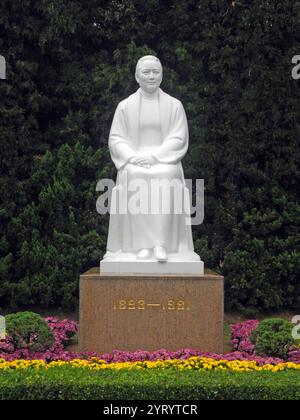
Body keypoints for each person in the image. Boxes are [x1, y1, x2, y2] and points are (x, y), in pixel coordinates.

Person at [103, 55, 200, 264]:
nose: (151, 76)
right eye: (146, 72)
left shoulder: (174, 106)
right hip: (135, 162)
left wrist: (154, 156)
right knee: (135, 177)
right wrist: (133, 157)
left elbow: (178, 137)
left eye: (155, 72)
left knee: (165, 177)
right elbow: (116, 138)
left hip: (164, 161)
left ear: (162, 76)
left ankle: (160, 244)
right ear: (137, 77)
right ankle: (142, 246)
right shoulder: (125, 107)